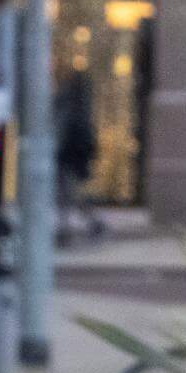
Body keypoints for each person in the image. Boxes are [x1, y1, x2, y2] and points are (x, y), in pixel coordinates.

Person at [54, 65, 105, 246]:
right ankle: (71, 227)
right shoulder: (79, 104)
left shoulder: (70, 103)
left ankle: (72, 228)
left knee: (69, 194)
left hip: (68, 153)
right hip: (72, 154)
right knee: (70, 194)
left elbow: (68, 128)